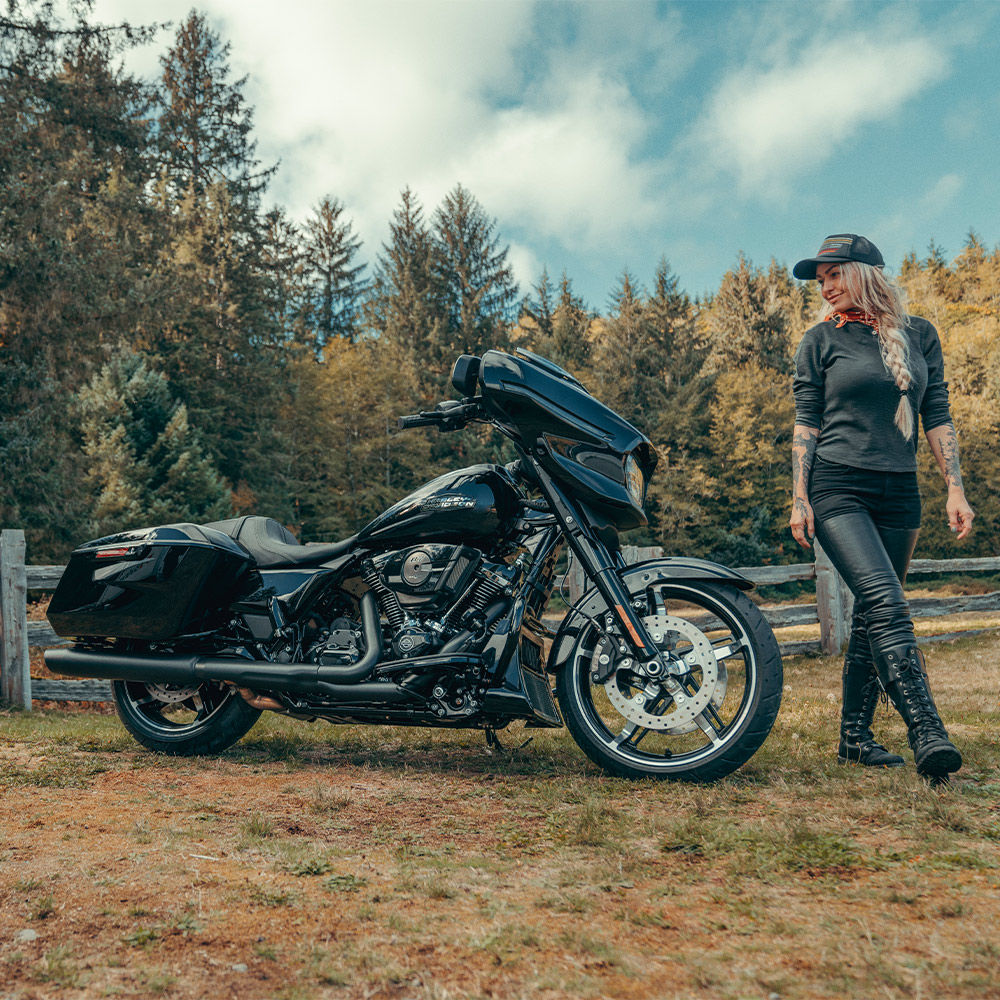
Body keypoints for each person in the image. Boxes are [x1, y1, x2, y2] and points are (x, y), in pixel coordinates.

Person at [789, 233, 973, 782]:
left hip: (901, 491)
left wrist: (955, 488)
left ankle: (854, 739)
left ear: (864, 274)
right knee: (887, 602)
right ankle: (927, 732)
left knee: (872, 617)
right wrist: (799, 497)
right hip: (838, 487)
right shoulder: (821, 340)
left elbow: (936, 412)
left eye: (834, 275)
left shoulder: (920, 335)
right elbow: (806, 422)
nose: (825, 287)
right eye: (820, 280)